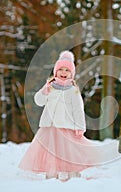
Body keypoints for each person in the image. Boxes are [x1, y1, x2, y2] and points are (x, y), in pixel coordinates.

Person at [18, 50, 98, 181]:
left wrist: (80, 126)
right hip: (49, 127)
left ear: (71, 74)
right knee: (51, 152)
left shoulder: (73, 90)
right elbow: (39, 101)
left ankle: (73, 174)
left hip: (67, 127)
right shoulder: (50, 86)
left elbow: (78, 109)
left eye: (67, 70)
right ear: (56, 72)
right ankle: (51, 174)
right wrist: (44, 92)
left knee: (69, 152)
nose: (64, 73)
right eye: (61, 69)